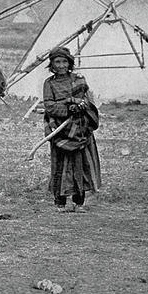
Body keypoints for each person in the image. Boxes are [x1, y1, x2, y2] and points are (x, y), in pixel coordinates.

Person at [42, 46, 101, 213]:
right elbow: (49, 106)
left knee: (80, 164)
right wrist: (68, 108)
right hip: (59, 128)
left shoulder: (79, 79)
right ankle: (60, 202)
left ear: (70, 63)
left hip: (80, 127)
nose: (61, 65)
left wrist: (80, 107)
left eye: (64, 61)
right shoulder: (49, 83)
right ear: (52, 65)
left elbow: (88, 101)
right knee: (60, 164)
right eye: (57, 62)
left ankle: (78, 202)